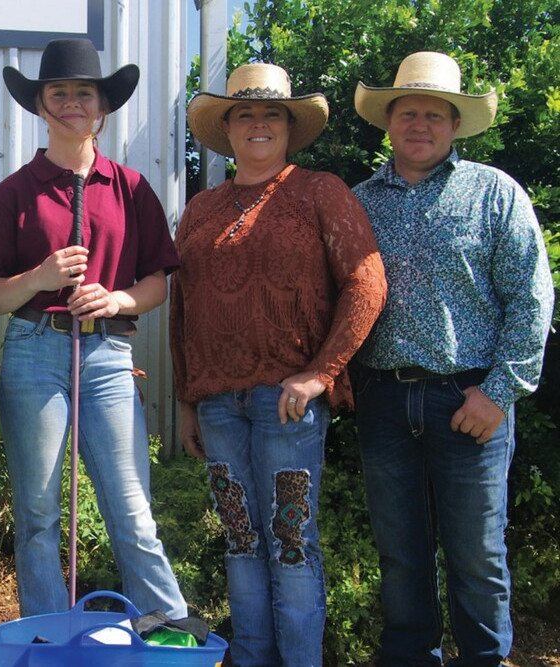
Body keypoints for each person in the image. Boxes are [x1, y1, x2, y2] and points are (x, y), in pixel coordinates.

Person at [170, 63, 387, 666]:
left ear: (290, 126)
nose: (258, 123)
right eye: (245, 113)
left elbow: (367, 284)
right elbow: (184, 310)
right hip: (216, 404)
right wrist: (187, 398)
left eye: (271, 113)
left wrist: (322, 372)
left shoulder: (320, 191)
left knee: (290, 542)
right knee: (241, 540)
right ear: (228, 127)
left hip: (286, 404)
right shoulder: (201, 210)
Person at [0, 37, 187, 619]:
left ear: (102, 108)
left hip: (109, 357)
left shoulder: (132, 188)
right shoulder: (14, 192)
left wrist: (115, 298)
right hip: (34, 352)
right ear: (41, 107)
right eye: (57, 93)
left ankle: (170, 632)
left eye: (83, 93)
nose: (71, 103)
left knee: (131, 507)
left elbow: (157, 284)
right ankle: (46, 637)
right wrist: (40, 276)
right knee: (39, 514)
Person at [350, 51, 554, 666]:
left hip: (471, 399)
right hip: (383, 400)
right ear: (389, 122)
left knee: (476, 554)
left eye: (434, 114)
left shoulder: (495, 194)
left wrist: (499, 392)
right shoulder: (357, 203)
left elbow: (532, 298)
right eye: (408, 111)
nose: (420, 124)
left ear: (455, 124)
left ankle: (485, 660)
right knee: (400, 551)